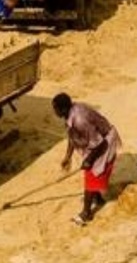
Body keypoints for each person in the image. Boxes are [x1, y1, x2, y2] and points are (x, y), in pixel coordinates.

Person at [52, 92, 121, 226]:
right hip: (94, 144)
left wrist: (89, 160)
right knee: (91, 175)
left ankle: (86, 214)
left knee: (90, 179)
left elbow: (99, 143)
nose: (54, 111)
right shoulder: (71, 113)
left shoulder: (80, 120)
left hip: (103, 143)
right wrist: (68, 156)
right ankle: (98, 198)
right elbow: (72, 136)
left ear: (63, 109)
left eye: (55, 109)